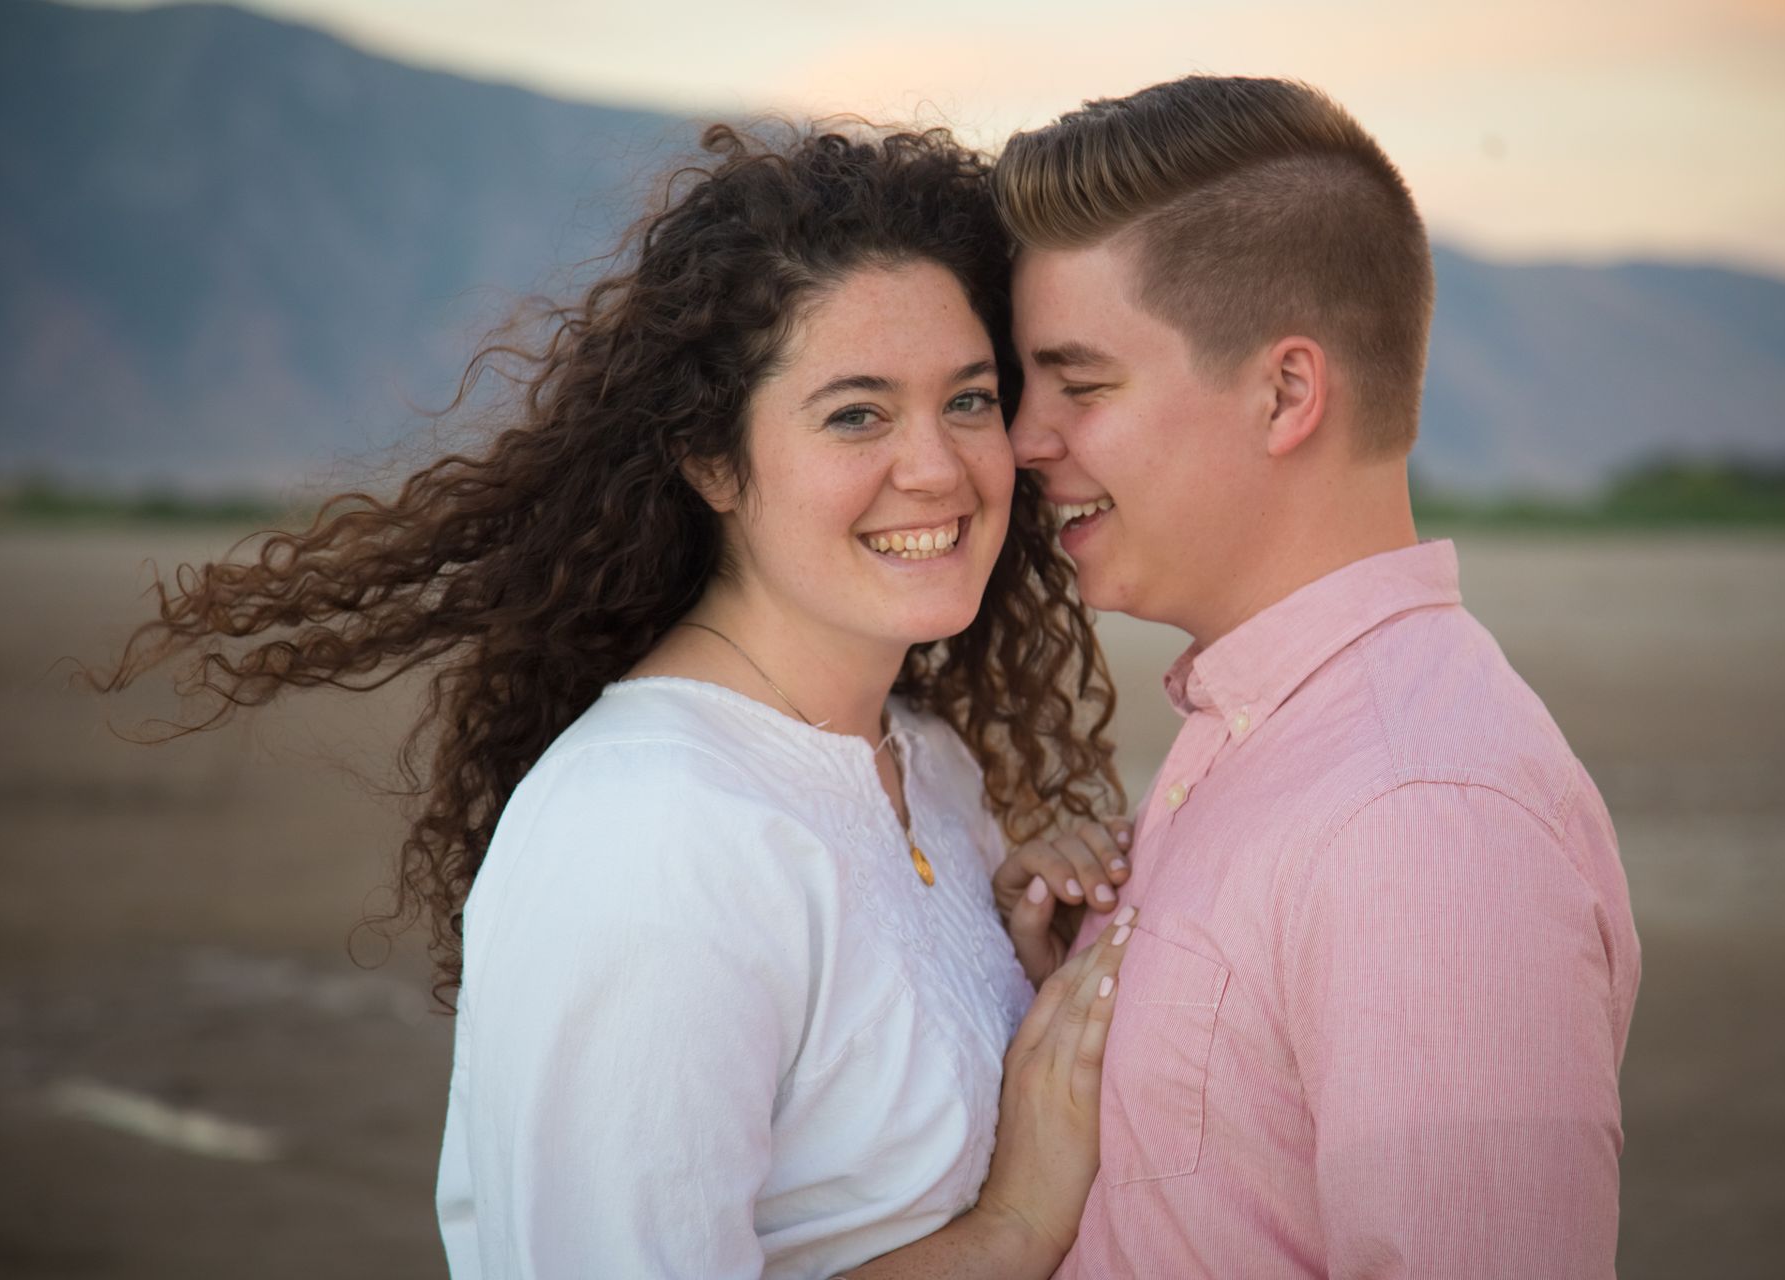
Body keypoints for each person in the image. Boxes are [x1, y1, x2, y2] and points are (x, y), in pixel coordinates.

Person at [95, 123, 1136, 1278]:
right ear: (712, 459)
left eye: (971, 398)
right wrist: (1015, 1223)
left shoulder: (924, 761)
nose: (938, 468)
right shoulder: (649, 830)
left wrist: (1026, 971)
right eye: (856, 412)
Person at [988, 76, 1643, 1277]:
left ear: (1287, 392)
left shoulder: (1423, 816)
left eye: (1079, 384)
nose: (1026, 438)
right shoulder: (1264, 731)